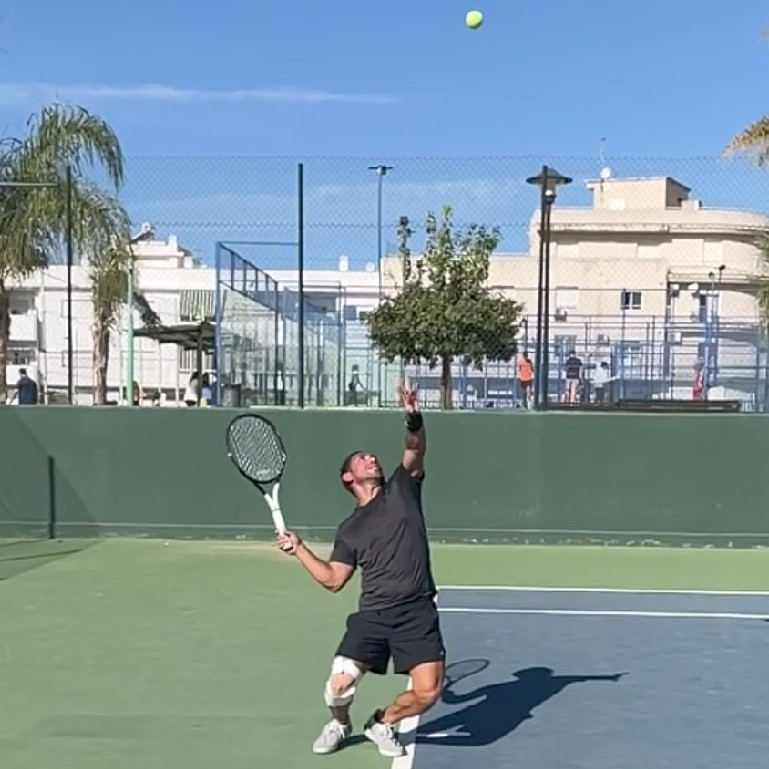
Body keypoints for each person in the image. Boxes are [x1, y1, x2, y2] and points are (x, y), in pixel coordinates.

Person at [276, 380, 445, 758]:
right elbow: (334, 579)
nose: (372, 460)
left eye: (373, 457)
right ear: (347, 477)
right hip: (374, 614)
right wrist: (299, 549)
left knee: (429, 692)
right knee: (338, 686)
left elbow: (415, 448)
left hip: (417, 611)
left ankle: (382, 722)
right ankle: (339, 723)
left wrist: (413, 417)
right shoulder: (350, 529)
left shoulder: (402, 487)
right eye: (362, 458)